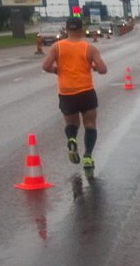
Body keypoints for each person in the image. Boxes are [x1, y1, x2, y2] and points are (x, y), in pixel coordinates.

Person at [42, 14, 107, 178]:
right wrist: (92, 66)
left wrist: (57, 71)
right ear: (81, 29)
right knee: (90, 124)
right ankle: (87, 156)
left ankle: (72, 140)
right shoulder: (89, 48)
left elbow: (45, 66)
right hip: (86, 91)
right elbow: (103, 69)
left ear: (66, 30)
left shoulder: (57, 47)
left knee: (71, 123)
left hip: (66, 92)